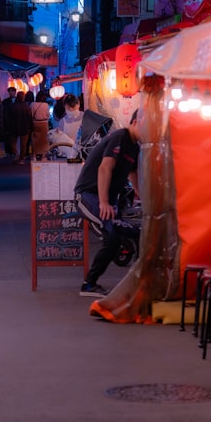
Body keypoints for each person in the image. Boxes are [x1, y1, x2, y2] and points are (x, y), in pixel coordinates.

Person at [73, 109, 141, 296]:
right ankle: (89, 284)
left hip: (109, 200)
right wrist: (103, 202)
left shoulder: (135, 147)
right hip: (88, 196)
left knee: (136, 233)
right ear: (135, 122)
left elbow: (133, 172)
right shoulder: (119, 138)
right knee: (111, 238)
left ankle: (139, 281)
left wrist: (139, 195)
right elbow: (105, 168)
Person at [12, 91, 34, 163]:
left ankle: (16, 154)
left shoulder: (14, 106)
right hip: (25, 127)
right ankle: (22, 158)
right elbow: (30, 118)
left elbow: (10, 117)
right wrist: (31, 127)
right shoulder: (27, 107)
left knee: (13, 142)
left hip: (15, 126)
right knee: (23, 143)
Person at [30, 90, 51, 160]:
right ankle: (43, 154)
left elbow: (31, 114)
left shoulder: (32, 104)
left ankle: (34, 154)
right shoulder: (46, 105)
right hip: (44, 123)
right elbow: (48, 115)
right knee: (44, 140)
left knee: (35, 139)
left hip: (35, 123)